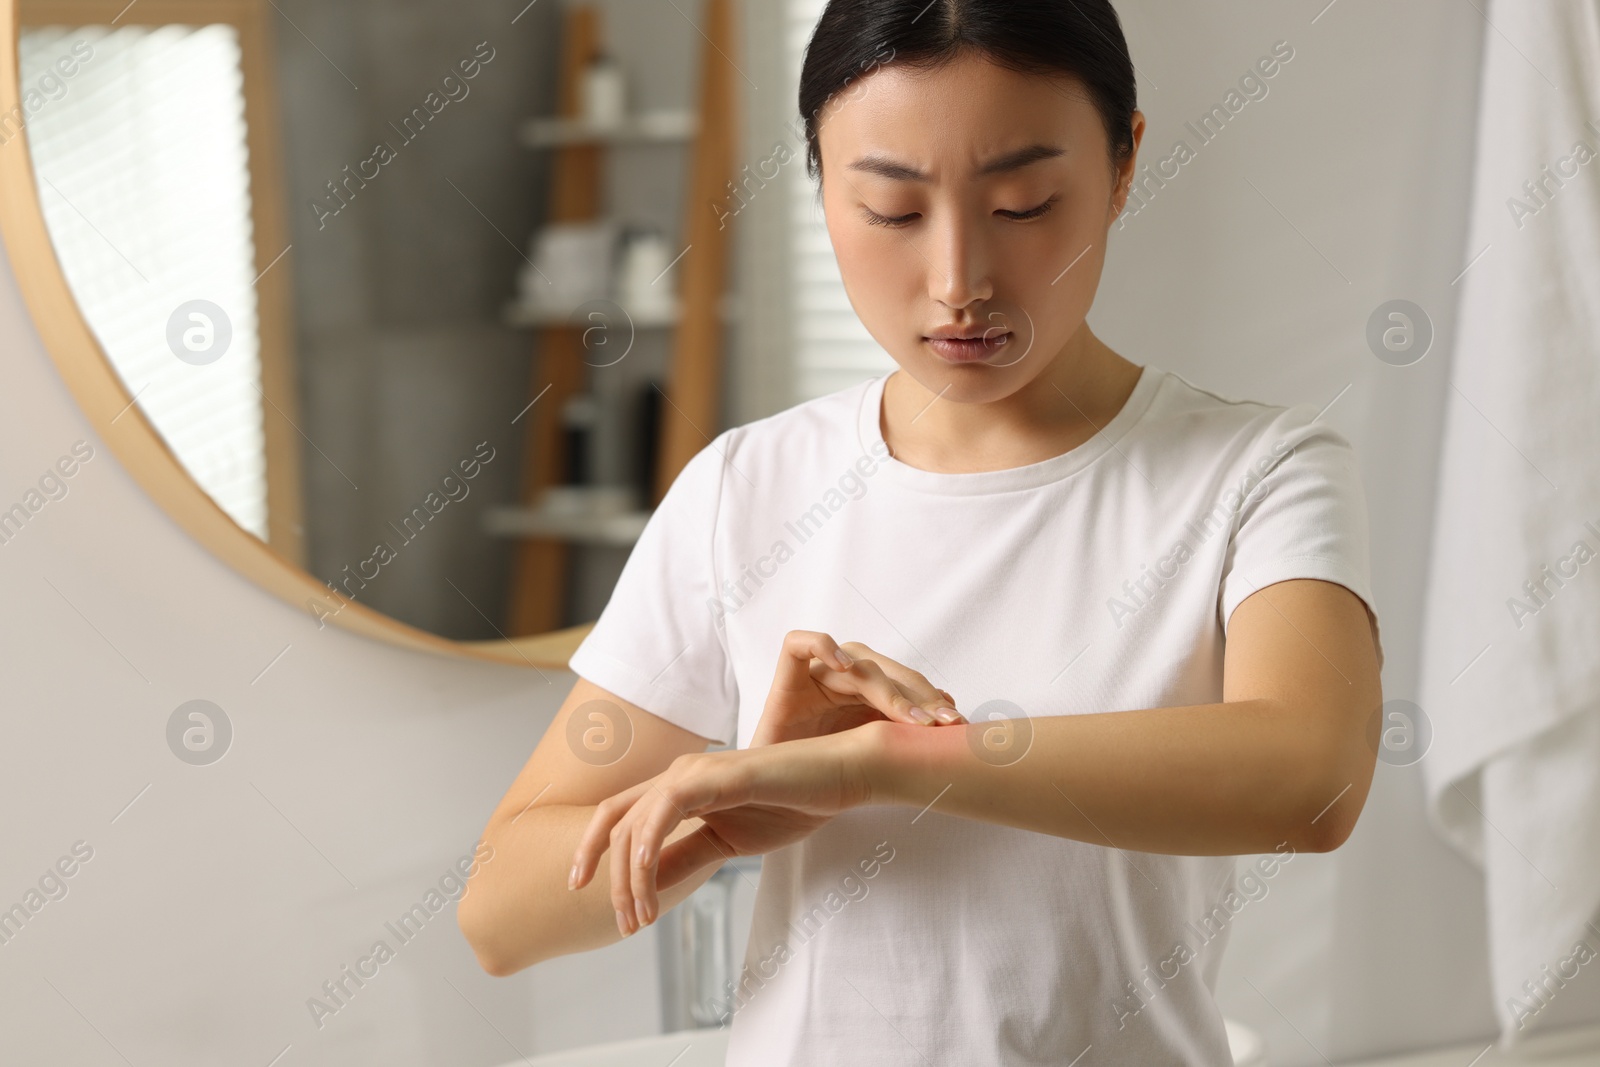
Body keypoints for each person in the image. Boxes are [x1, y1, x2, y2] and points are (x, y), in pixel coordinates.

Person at [458, 1, 1385, 1062]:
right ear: (819, 180)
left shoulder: (1257, 473)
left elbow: (1310, 774)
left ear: (1125, 162)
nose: (958, 281)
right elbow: (498, 911)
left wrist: (886, 762)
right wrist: (725, 817)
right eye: (893, 211)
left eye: (1025, 204)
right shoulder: (747, 489)